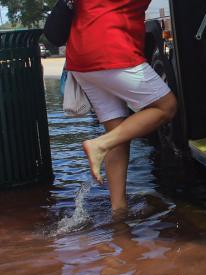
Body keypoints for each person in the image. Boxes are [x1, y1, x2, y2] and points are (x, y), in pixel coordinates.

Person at [65, 0, 177, 212]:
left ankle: (119, 210)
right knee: (167, 106)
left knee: (118, 134)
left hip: (81, 56)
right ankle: (98, 144)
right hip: (110, 51)